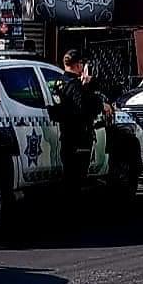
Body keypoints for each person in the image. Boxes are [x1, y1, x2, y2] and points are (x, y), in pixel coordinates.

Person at [53, 49, 108, 193]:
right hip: (79, 137)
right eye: (82, 64)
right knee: (77, 179)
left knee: (69, 177)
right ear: (78, 65)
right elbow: (85, 107)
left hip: (66, 136)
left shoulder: (59, 82)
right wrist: (99, 102)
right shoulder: (75, 85)